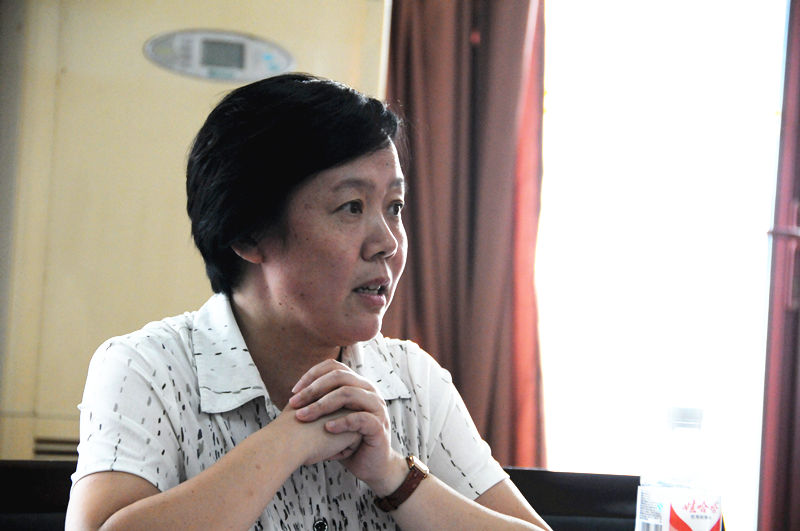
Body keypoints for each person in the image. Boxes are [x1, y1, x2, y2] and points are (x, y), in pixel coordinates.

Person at [65, 73, 552, 531]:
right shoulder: (148, 368)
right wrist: (289, 439)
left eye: (395, 207)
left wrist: (394, 476)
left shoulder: (412, 381)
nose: (387, 242)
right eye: (351, 207)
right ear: (249, 233)